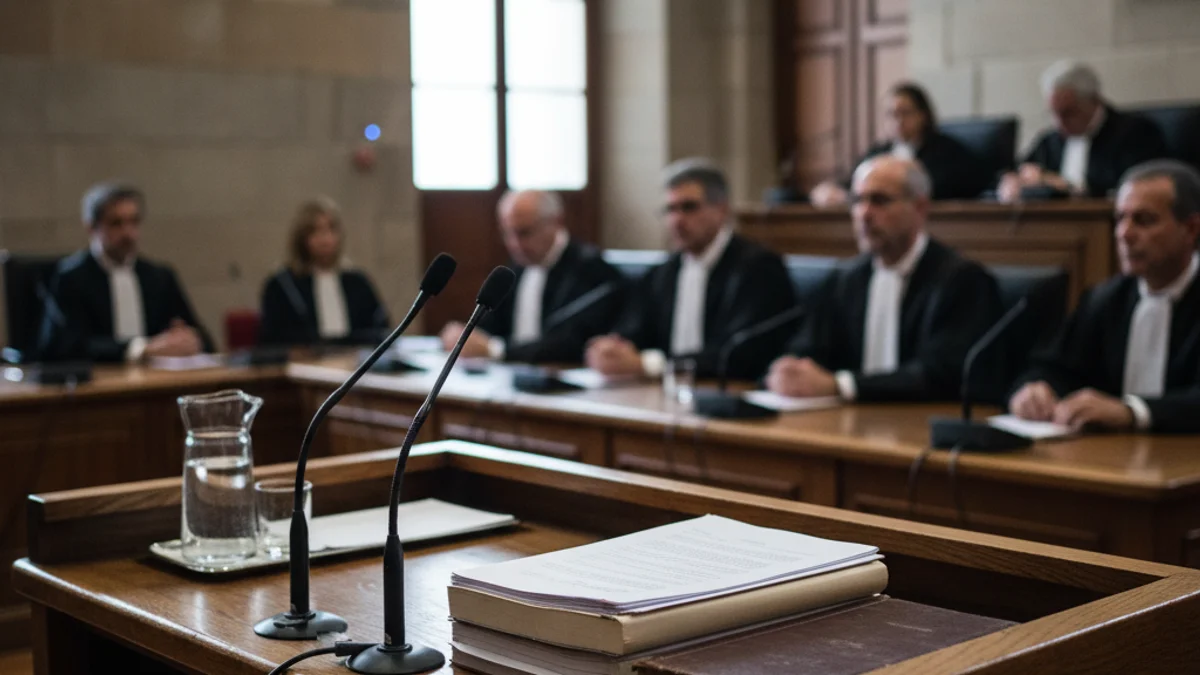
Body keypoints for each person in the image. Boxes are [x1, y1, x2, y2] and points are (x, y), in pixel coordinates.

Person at [766, 156, 1002, 402]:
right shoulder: (845, 279)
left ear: (920, 208)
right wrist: (790, 370)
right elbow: (811, 347)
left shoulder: (962, 280)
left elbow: (943, 374)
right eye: (857, 200)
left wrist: (842, 385)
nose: (864, 214)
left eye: (879, 200)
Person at [1008, 160, 1200, 433]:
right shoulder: (1106, 299)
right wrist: (1034, 390)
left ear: (1191, 229)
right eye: (1120, 218)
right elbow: (1055, 367)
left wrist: (1132, 412)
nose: (1124, 233)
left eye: (1144, 220)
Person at [586, 159, 795, 381]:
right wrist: (614, 350)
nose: (676, 220)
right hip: (663, 392)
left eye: (688, 207)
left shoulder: (757, 268)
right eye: (670, 209)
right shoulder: (663, 272)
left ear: (722, 210)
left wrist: (650, 364)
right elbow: (634, 331)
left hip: (729, 393)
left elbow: (737, 355)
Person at [37, 182, 213, 363]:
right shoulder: (71, 278)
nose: (128, 233)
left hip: (158, 381)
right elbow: (65, 346)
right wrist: (141, 349)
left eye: (134, 221)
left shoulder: (159, 277)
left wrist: (188, 340)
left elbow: (204, 340)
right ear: (92, 227)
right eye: (116, 223)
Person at [442, 190, 625, 363]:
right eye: (507, 233)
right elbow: (491, 325)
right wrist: (465, 336)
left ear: (556, 222)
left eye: (524, 233)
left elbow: (569, 343)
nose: (514, 244)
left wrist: (496, 349)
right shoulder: (517, 266)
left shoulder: (590, 269)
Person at [998, 61, 1167, 202]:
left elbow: (1132, 191)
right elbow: (1018, 169)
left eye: (1068, 113)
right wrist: (1012, 181)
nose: (1059, 123)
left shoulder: (1135, 133)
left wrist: (1060, 184)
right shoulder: (1050, 141)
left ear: (1094, 101)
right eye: (1054, 113)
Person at [811, 82, 989, 207]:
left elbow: (954, 185)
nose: (898, 121)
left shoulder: (947, 150)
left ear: (923, 115)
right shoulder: (878, 152)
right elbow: (852, 183)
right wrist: (831, 191)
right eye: (891, 114)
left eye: (905, 113)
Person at [258, 198, 390, 347]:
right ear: (302, 238)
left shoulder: (358, 282)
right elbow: (272, 338)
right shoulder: (283, 285)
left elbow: (380, 328)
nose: (325, 239)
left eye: (331, 230)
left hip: (356, 364)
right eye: (316, 231)